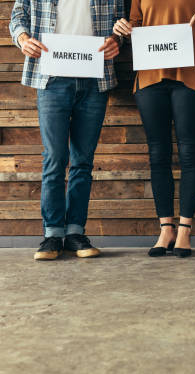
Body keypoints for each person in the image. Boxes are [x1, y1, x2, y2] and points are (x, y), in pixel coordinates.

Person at [10, 0, 124, 261]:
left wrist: (118, 40)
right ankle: (52, 235)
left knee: (83, 161)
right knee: (55, 158)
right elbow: (18, 14)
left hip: (95, 77)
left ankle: (75, 233)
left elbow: (121, 24)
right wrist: (23, 38)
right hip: (51, 77)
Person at [113, 0, 195, 258]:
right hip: (150, 75)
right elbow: (134, 24)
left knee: (189, 152)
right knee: (158, 154)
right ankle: (166, 229)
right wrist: (123, 28)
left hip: (190, 75)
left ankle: (185, 230)